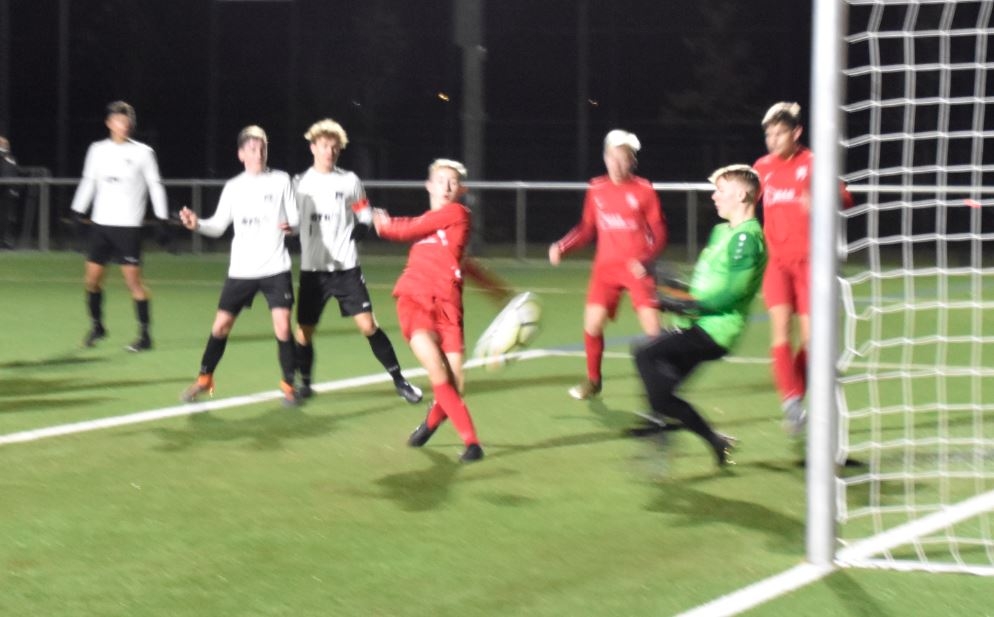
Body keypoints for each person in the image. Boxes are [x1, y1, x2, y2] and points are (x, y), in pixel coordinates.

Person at [628, 164, 767, 467]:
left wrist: (683, 304)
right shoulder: (722, 232)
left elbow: (730, 294)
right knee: (661, 389)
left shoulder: (747, 239)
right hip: (697, 323)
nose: (714, 196)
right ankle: (713, 442)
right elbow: (706, 283)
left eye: (721, 190)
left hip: (714, 331)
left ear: (741, 195)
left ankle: (660, 426)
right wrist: (675, 287)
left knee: (645, 354)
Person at [292, 118, 422, 403]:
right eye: (324, 146)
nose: (329, 151)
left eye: (334, 147)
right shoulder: (299, 184)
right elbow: (292, 221)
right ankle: (305, 385)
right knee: (303, 333)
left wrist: (362, 226)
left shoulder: (349, 181)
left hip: (346, 269)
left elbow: (363, 212)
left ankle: (400, 381)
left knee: (368, 326)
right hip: (313, 271)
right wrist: (287, 230)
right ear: (313, 147)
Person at [178, 126, 300, 407]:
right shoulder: (234, 187)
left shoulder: (281, 180)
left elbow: (295, 218)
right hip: (242, 270)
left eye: (263, 148)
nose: (259, 154)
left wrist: (291, 227)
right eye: (253, 149)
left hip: (275, 267)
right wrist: (197, 225)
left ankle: (289, 386)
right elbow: (218, 226)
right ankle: (204, 379)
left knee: (283, 327)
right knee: (221, 326)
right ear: (241, 154)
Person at [371, 159, 483, 463]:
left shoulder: (457, 214)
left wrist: (385, 225)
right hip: (415, 300)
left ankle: (429, 425)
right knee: (436, 368)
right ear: (429, 185)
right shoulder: (431, 224)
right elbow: (418, 230)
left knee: (456, 385)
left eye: (453, 182)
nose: (447, 186)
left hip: (448, 306)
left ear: (461, 190)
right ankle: (472, 443)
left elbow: (407, 229)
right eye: (441, 180)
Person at [753, 102, 853, 435]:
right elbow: (745, 201)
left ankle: (795, 394)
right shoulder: (762, 167)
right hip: (777, 264)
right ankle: (792, 403)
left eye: (779, 133)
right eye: (769, 134)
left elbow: (846, 198)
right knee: (781, 330)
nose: (773, 140)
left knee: (812, 340)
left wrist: (823, 199)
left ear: (796, 133)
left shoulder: (814, 163)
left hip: (810, 265)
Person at [549, 129, 667, 400]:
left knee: (654, 333)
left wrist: (646, 260)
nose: (617, 163)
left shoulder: (644, 190)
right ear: (604, 157)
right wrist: (563, 246)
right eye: (612, 157)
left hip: (637, 269)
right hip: (606, 269)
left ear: (632, 161)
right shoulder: (596, 188)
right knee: (592, 325)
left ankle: (662, 389)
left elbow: (660, 231)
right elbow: (586, 228)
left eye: (623, 158)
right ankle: (594, 381)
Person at [69, 101, 170, 351]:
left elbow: (155, 186)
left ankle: (145, 336)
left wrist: (162, 219)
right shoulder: (97, 150)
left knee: (133, 282)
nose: (123, 126)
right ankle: (97, 326)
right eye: (118, 121)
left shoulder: (143, 153)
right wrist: (77, 211)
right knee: (92, 280)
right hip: (101, 226)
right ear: (109, 123)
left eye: (126, 122)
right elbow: (88, 181)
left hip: (128, 228)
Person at [0, 135, 20, 249]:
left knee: (8, 217)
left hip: (9, 192)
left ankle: (6, 241)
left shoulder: (11, 158)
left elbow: (13, 170)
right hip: (3, 191)